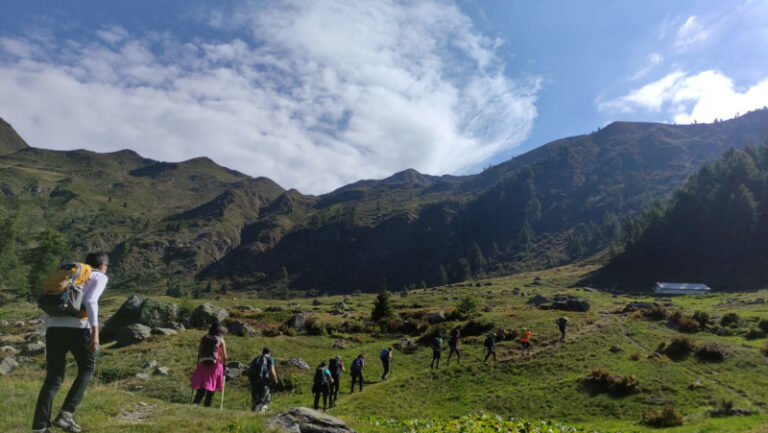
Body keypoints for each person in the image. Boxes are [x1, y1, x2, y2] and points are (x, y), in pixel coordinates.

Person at [32, 252, 110, 433]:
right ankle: (66, 415)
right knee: (87, 369)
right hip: (78, 328)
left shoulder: (70, 276)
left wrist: (48, 330)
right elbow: (91, 301)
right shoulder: (99, 276)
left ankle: (39, 427)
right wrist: (95, 333)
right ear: (104, 265)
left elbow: (49, 303)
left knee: (53, 378)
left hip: (54, 328)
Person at [190, 320, 227, 407]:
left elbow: (199, 353)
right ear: (219, 330)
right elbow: (225, 356)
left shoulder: (204, 338)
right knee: (211, 387)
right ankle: (207, 406)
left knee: (202, 387)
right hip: (215, 365)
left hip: (203, 364)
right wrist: (224, 365)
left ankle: (195, 403)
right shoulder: (221, 340)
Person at [248, 347, 277, 412]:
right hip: (264, 382)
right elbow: (272, 371)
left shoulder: (256, 359)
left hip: (253, 381)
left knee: (255, 401)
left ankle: (253, 415)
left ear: (262, 352)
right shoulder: (270, 359)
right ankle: (260, 414)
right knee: (264, 400)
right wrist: (275, 381)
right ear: (269, 353)